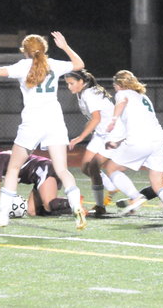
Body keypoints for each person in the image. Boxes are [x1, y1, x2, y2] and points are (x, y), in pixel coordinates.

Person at [0, 31, 87, 229]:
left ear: (25, 51)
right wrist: (64, 46)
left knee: (13, 168)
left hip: (32, 122)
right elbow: (79, 64)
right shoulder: (53, 64)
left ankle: (3, 215)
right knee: (62, 170)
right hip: (55, 121)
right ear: (44, 49)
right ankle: (76, 207)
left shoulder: (23, 66)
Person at [104, 70, 163, 222]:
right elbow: (135, 122)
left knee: (111, 168)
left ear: (119, 84)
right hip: (158, 139)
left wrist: (113, 120)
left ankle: (135, 197)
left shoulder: (122, 93)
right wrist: (117, 141)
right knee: (158, 184)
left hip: (140, 139)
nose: (115, 89)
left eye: (115, 86)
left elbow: (122, 102)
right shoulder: (143, 97)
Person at [64, 69, 120, 217]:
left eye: (71, 83)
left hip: (113, 133)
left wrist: (80, 137)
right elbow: (94, 120)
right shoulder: (82, 92)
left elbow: (96, 119)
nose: (69, 86)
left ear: (81, 82)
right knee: (85, 168)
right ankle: (111, 187)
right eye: (67, 84)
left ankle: (101, 206)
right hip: (101, 134)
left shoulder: (89, 94)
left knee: (94, 166)